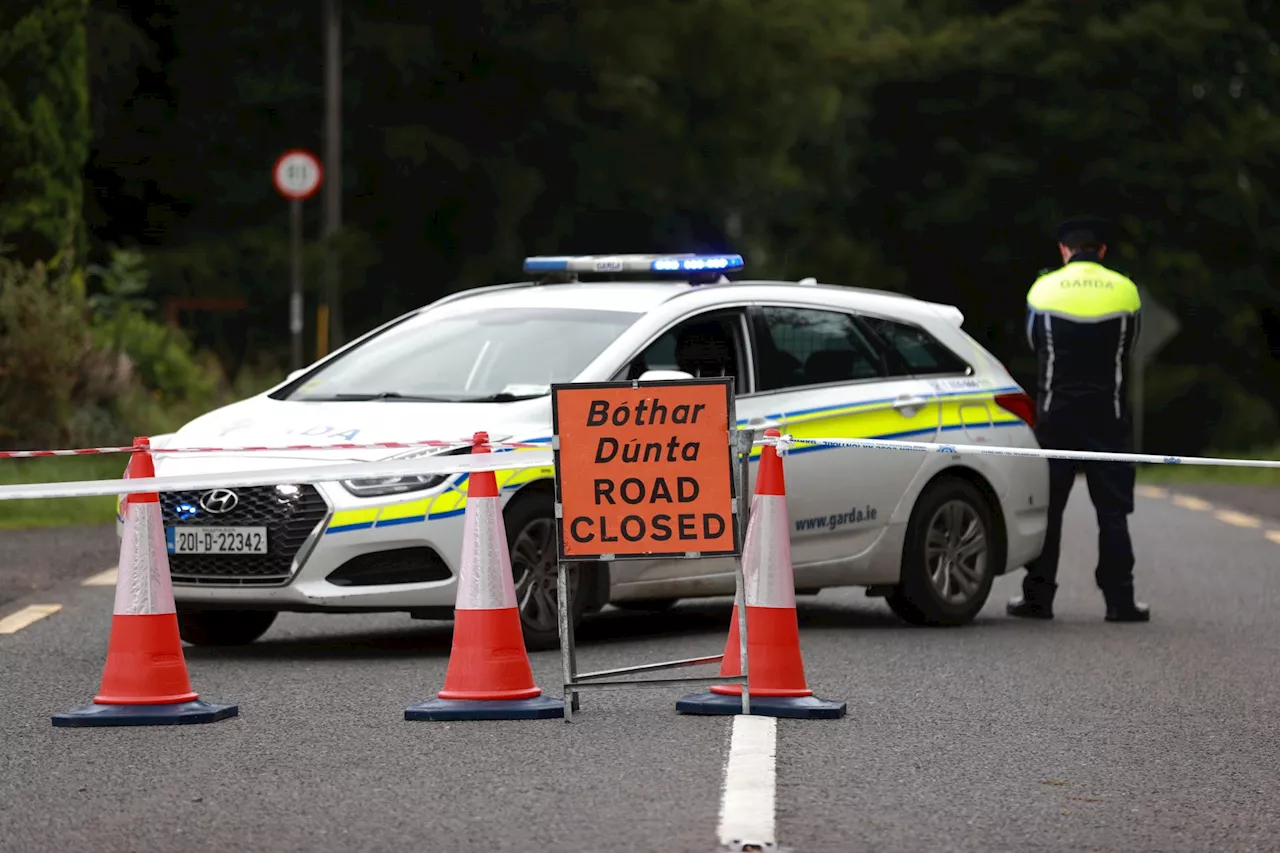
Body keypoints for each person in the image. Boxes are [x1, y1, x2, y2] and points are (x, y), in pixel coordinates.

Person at [1007, 216, 1151, 623]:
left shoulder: (1043, 289)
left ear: (1063, 250)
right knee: (1113, 513)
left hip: (1057, 416)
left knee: (1050, 509)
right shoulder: (1126, 290)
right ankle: (1120, 602)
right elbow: (1130, 346)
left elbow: (1035, 342)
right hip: (1109, 416)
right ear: (1102, 251)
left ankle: (1038, 599)